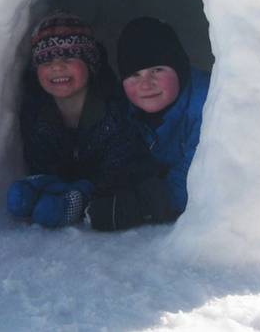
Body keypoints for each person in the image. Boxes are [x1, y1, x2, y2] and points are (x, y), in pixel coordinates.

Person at [6, 12, 156, 228]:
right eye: (46, 60)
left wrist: (84, 194)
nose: (57, 67)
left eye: (68, 57)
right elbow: (39, 160)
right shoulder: (36, 114)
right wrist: (45, 184)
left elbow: (121, 169)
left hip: (103, 192)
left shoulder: (113, 109)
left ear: (90, 64)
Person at [86, 16, 210, 231]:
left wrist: (140, 206)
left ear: (179, 68)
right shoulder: (126, 109)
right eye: (134, 74)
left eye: (157, 70)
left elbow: (200, 175)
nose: (146, 83)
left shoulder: (206, 104)